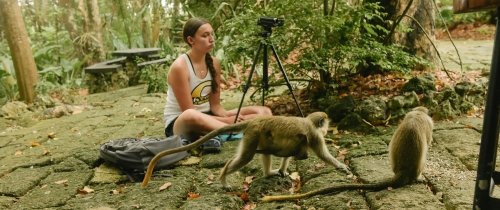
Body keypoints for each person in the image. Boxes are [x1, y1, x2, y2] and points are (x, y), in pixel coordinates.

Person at [163, 17, 272, 150]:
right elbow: (189, 111)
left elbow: (215, 106)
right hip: (181, 123)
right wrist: (227, 121)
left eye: (212, 34)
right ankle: (231, 129)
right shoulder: (180, 67)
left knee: (263, 111)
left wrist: (230, 116)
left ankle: (220, 131)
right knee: (190, 115)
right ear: (191, 40)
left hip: (210, 117)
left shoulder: (214, 63)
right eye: (205, 35)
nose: (211, 38)